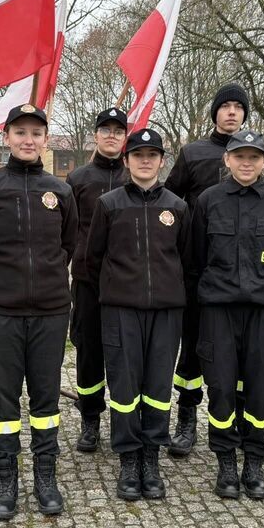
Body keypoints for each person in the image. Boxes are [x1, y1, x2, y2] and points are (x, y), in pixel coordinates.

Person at [0, 103, 78, 520]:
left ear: (46, 140)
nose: (29, 140)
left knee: (46, 399)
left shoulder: (60, 191)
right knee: (4, 402)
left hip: (50, 311)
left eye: (36, 133)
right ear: (5, 138)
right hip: (0, 312)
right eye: (20, 132)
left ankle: (46, 477)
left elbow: (69, 245)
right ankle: (6, 480)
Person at [163, 83, 264, 456]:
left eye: (238, 107)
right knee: (194, 352)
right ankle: (186, 419)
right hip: (202, 273)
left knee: (244, 358)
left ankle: (246, 425)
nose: (231, 112)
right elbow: (171, 200)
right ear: (214, 112)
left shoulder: (263, 157)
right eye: (224, 106)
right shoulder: (193, 153)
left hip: (247, 278)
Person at [85, 128, 190, 500]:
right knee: (125, 389)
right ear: (126, 160)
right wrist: (114, 294)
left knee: (158, 389)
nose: (145, 160)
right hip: (121, 311)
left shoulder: (177, 207)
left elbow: (185, 259)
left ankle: (151, 457)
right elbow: (92, 258)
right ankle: (129, 460)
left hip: (166, 313)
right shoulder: (109, 204)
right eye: (138, 154)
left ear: (163, 161)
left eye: (153, 154)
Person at [191, 131, 264, 500]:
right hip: (218, 310)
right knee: (220, 387)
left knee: (259, 389)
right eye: (240, 156)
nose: (246, 163)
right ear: (227, 160)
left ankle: (253, 461)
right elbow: (195, 256)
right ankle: (225, 463)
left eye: (254, 157)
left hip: (263, 311)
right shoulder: (208, 201)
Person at [66, 107, 129, 452]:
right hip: (88, 282)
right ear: (95, 135)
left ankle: (124, 419)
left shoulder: (134, 177)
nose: (111, 136)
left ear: (125, 138)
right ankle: (90, 420)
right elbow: (66, 229)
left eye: (118, 131)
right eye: (105, 130)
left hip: (124, 285)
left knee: (123, 354)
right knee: (89, 354)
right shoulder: (78, 180)